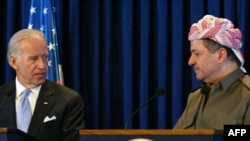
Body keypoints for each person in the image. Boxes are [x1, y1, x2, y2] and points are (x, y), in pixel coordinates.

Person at [0, 29, 84, 141]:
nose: (42, 65)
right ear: (14, 62)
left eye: (45, 57)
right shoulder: (2, 97)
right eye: (34, 59)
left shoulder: (68, 100)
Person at [174, 15, 250, 130]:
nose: (190, 61)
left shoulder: (247, 94)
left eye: (197, 54)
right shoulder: (195, 97)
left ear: (220, 55)